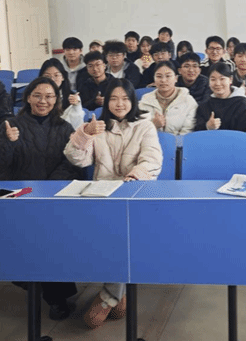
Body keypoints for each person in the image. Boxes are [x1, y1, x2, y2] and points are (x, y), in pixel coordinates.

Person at [63, 78, 162, 328]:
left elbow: (152, 160)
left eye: (125, 99)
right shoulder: (97, 125)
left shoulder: (145, 125)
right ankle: (119, 294)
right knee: (104, 239)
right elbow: (77, 159)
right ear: (106, 101)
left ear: (133, 101)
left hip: (134, 192)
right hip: (102, 195)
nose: (120, 104)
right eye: (114, 98)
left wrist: (134, 176)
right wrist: (85, 134)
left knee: (120, 236)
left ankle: (108, 296)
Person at [0, 77, 82, 321]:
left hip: (52, 196)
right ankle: (40, 286)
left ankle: (54, 296)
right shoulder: (11, 125)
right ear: (28, 97)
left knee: (51, 239)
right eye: (37, 95)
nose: (43, 101)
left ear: (56, 100)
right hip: (19, 196)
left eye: (49, 96)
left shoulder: (64, 127)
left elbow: (71, 163)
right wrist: (8, 143)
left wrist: (48, 188)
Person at [139, 61, 198, 135]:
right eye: (159, 76)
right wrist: (153, 125)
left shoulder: (188, 101)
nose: (163, 80)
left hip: (178, 141)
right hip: (149, 140)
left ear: (176, 78)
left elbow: (187, 132)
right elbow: (139, 131)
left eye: (168, 76)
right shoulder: (145, 101)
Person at [194, 62, 246, 134]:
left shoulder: (242, 105)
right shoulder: (204, 105)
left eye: (222, 79)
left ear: (230, 79)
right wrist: (207, 126)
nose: (217, 83)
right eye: (213, 79)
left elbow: (245, 135)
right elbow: (197, 134)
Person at [40, 58, 84, 129]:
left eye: (56, 75)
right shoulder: (36, 96)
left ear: (63, 77)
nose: (52, 79)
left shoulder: (72, 97)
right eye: (47, 76)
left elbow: (77, 124)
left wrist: (77, 106)